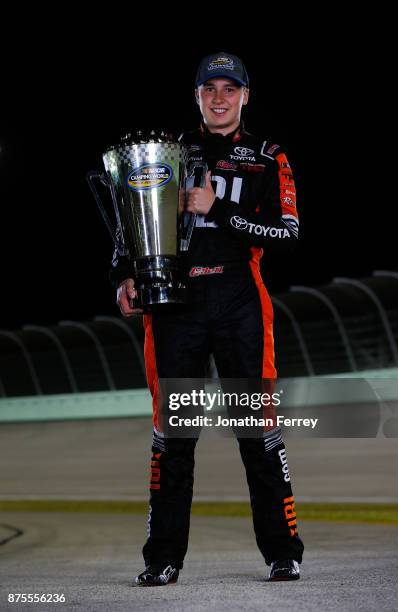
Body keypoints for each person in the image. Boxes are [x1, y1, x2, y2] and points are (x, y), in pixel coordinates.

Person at [110, 51, 304, 585]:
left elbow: (288, 233)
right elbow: (134, 225)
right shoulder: (167, 154)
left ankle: (282, 552)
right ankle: (162, 558)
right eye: (209, 88)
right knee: (174, 440)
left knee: (257, 433)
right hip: (177, 308)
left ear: (245, 95)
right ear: (197, 95)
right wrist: (126, 275)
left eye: (229, 88)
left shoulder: (268, 156)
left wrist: (217, 210)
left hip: (241, 303)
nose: (219, 97)